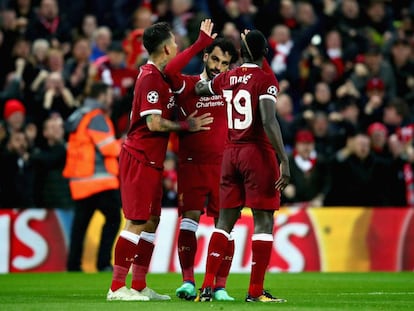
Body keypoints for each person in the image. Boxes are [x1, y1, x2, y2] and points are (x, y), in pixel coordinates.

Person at [106, 21, 213, 302]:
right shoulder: (151, 77)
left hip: (151, 160)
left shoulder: (159, 75)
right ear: (166, 47)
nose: (177, 47)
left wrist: (200, 45)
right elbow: (153, 123)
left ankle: (139, 284)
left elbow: (175, 68)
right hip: (139, 156)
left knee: (153, 220)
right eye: (175, 43)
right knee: (137, 221)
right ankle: (117, 288)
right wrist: (186, 126)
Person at [194, 29, 290, 302]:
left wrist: (204, 79)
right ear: (264, 54)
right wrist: (283, 159)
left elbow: (201, 88)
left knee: (224, 222)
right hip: (256, 152)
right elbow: (269, 121)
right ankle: (255, 292)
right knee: (263, 220)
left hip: (230, 154)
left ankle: (206, 289)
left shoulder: (227, 76)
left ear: (240, 54)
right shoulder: (265, 78)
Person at [164, 20, 238, 301]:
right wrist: (199, 43)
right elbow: (170, 70)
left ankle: (219, 286)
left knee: (225, 227)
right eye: (215, 59)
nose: (219, 66)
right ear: (206, 57)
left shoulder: (229, 89)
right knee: (189, 222)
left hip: (224, 167)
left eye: (225, 63)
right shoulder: (189, 86)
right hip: (192, 165)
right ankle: (187, 282)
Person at [63, 81, 121, 272]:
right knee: (113, 218)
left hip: (80, 182)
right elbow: (108, 148)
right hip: (100, 181)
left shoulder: (79, 115)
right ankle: (103, 263)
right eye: (109, 96)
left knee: (80, 225)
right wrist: (125, 143)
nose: (110, 99)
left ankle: (73, 265)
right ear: (102, 96)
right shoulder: (97, 117)